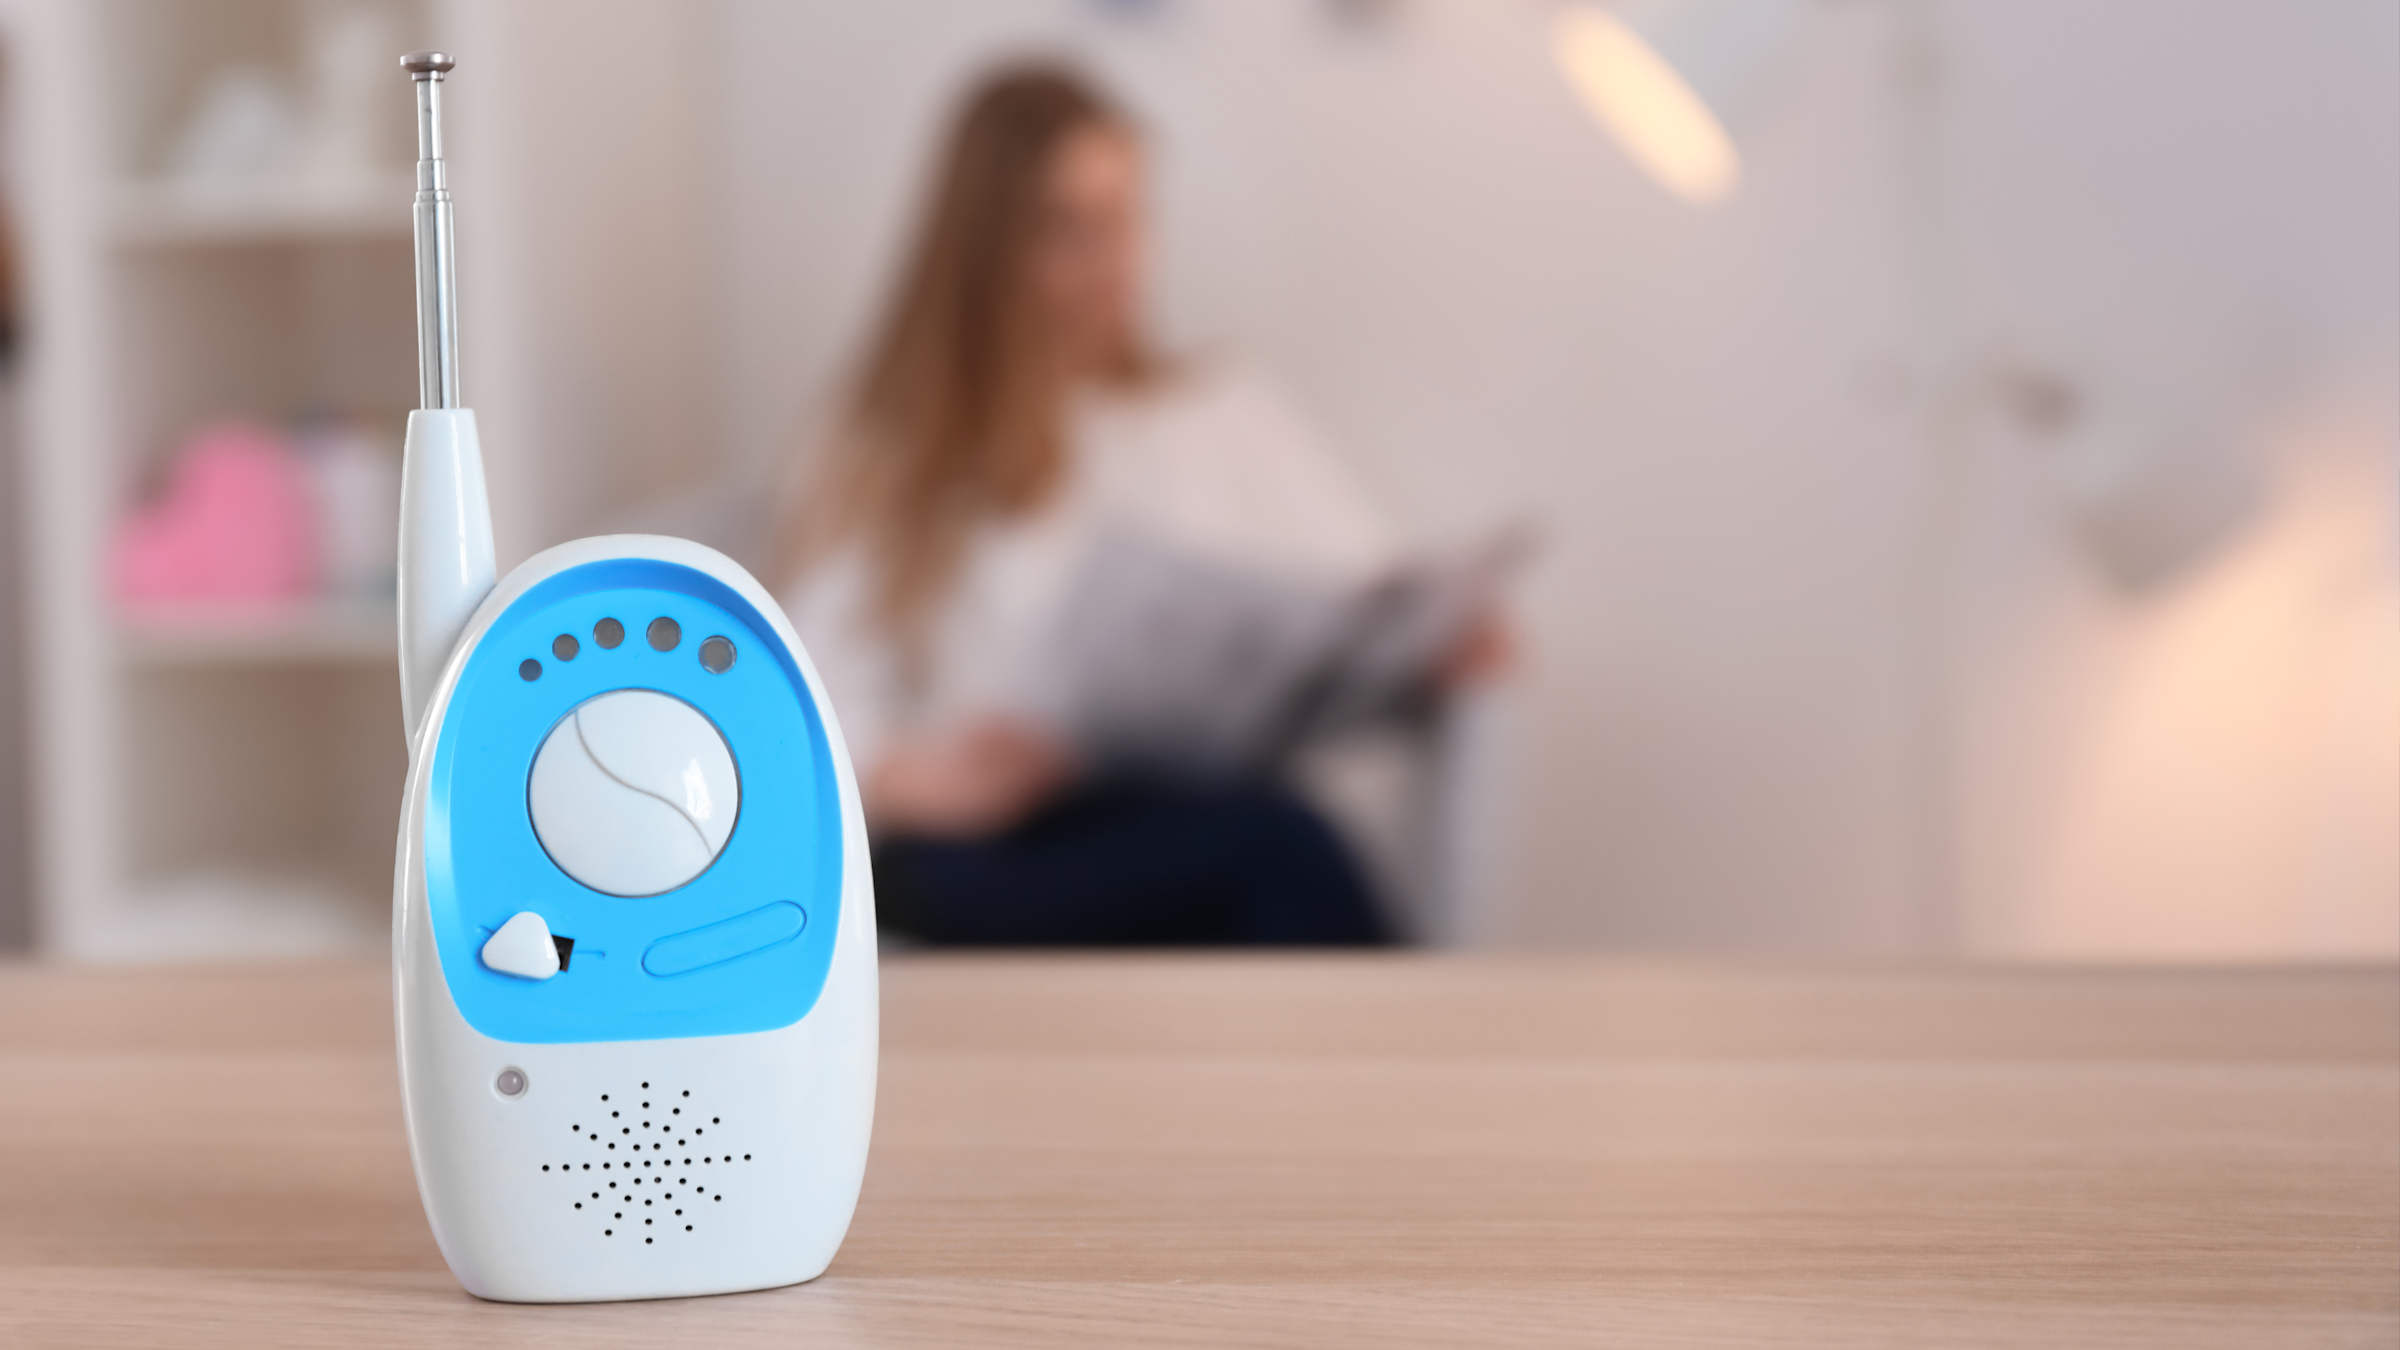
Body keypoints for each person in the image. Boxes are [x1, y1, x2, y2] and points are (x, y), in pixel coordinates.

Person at [772, 64, 1496, 945]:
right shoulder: (887, 443)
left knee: (1271, 838)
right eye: (1066, 228)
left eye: (1127, 220)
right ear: (984, 247)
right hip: (985, 840)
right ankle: (1407, 1073)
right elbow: (800, 700)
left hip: (1178, 818)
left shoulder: (1218, 411)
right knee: (1284, 848)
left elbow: (1367, 597)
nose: (1110, 262)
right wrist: (914, 778)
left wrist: (1440, 636)